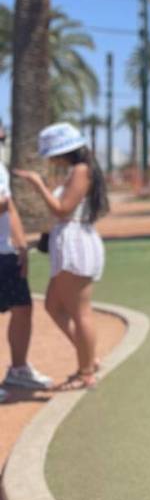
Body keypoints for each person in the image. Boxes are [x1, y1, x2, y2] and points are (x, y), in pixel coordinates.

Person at [14, 123, 108, 390]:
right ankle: (88, 358)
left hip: (74, 242)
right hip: (69, 240)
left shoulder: (80, 171)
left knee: (80, 312)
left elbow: (62, 209)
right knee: (54, 306)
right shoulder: (78, 170)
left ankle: (86, 371)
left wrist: (39, 185)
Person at [0, 122, 52, 394]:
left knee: (22, 307)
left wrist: (20, 246)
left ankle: (18, 370)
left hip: (5, 252)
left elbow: (9, 206)